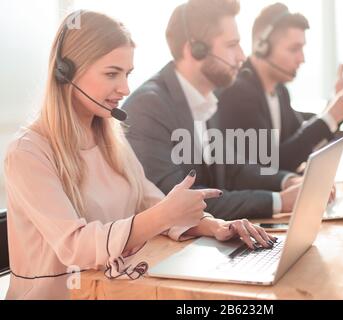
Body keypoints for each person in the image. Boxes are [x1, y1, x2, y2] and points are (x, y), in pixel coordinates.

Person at [4, 10, 275, 300]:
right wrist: (163, 214)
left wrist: (215, 226)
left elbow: (150, 202)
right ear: (65, 73)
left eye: (127, 74)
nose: (125, 88)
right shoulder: (28, 153)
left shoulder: (110, 137)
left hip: (115, 290)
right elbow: (76, 247)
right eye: (112, 73)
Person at [123, 0, 305, 221]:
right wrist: (280, 201)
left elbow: (233, 170)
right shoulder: (149, 107)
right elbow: (181, 202)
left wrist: (287, 181)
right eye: (231, 45)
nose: (241, 56)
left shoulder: (207, 97)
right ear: (196, 50)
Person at [216, 3, 343, 172]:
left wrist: (337, 101)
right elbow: (270, 164)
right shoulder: (239, 93)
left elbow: (301, 141)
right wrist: (330, 116)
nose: (302, 58)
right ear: (261, 46)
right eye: (294, 49)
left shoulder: (279, 92)